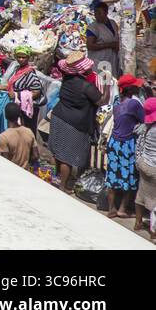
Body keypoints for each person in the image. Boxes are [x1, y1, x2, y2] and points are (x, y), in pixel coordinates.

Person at [48, 51, 101, 193]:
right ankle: (63, 186)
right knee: (67, 157)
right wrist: (107, 87)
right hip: (73, 123)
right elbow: (101, 100)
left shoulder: (67, 80)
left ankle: (56, 178)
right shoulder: (86, 87)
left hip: (59, 116)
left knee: (57, 152)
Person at [103, 74, 147, 219]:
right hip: (127, 144)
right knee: (129, 177)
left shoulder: (117, 102)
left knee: (112, 176)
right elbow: (145, 119)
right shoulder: (134, 104)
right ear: (132, 89)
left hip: (114, 142)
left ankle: (111, 208)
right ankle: (122, 208)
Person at [135, 97, 156, 241]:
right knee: (155, 201)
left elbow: (139, 145)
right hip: (154, 167)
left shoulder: (144, 127)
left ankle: (138, 222)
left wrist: (138, 161)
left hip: (143, 164)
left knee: (141, 193)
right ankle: (154, 231)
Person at [0, 103, 36, 171]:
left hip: (12, 173)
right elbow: (36, 155)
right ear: (19, 115)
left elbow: (4, 161)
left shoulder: (3, 137)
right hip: (26, 173)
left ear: (5, 116)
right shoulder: (29, 131)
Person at [86, 0, 120, 74]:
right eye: (95, 13)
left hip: (111, 58)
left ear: (106, 13)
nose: (96, 15)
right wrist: (110, 45)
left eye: (99, 13)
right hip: (99, 61)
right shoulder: (93, 27)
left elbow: (116, 37)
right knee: (100, 81)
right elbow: (90, 46)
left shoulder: (113, 23)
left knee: (111, 81)